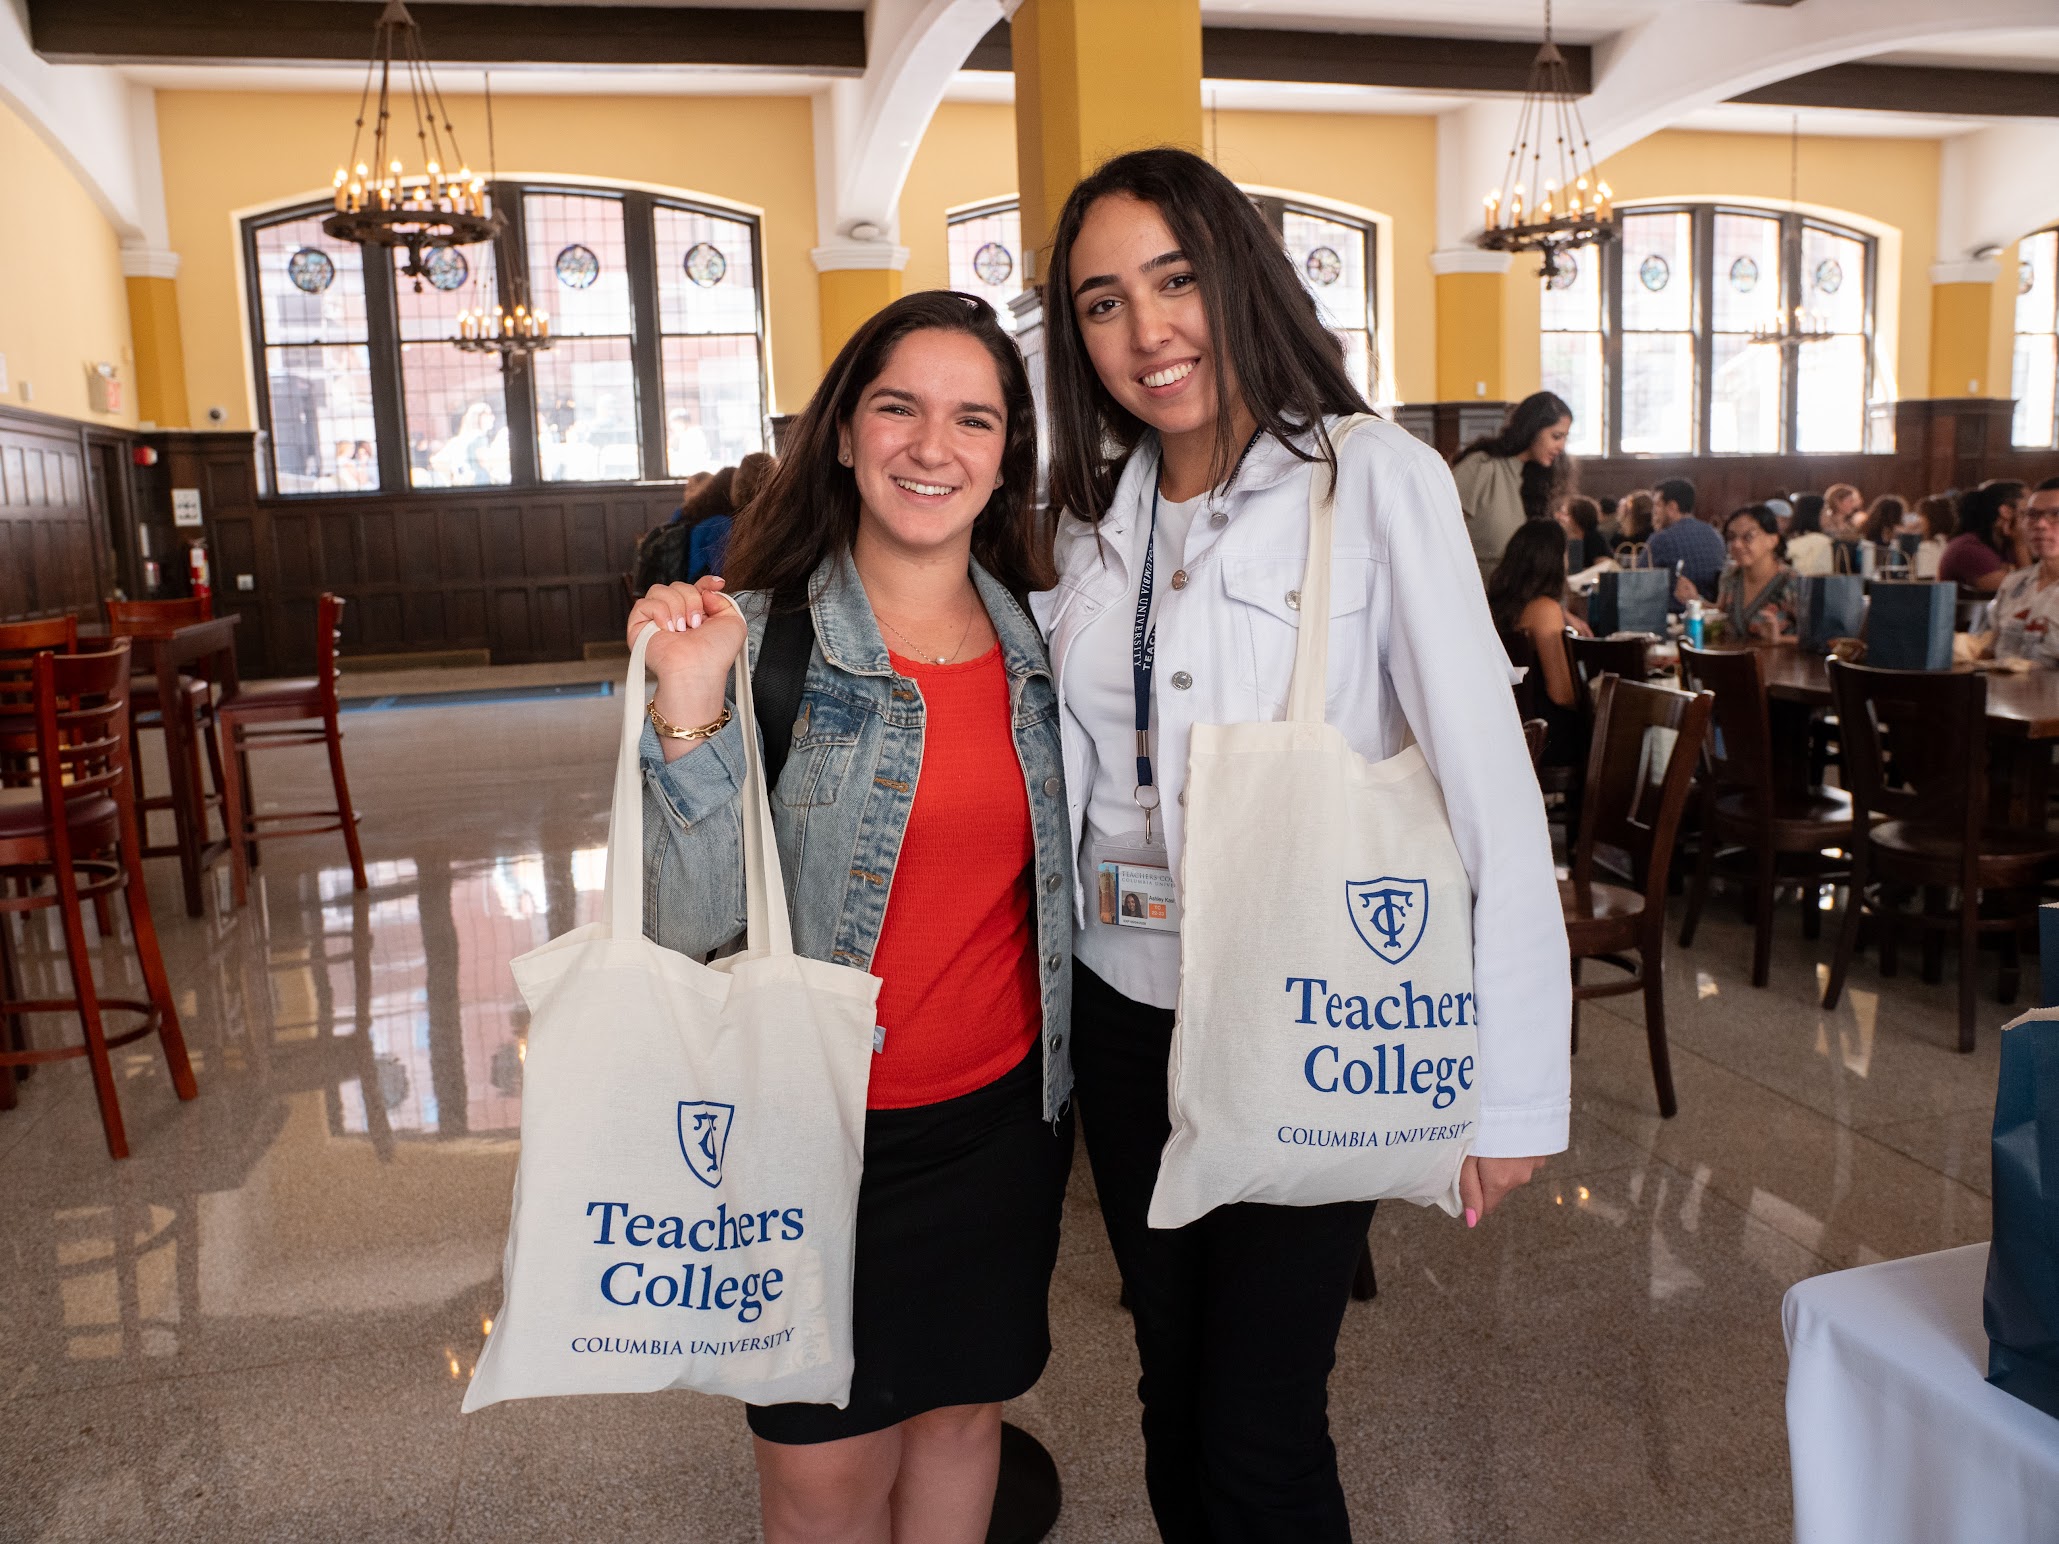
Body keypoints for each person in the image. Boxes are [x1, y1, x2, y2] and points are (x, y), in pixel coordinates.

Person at [1035, 146, 1568, 1543]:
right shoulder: (1096, 524)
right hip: (1121, 1002)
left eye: (1172, 280)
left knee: (1262, 1418)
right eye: (1100, 303)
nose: (1146, 331)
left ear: (1238, 277)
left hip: (1310, 1002)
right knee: (1171, 1389)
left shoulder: (1368, 476)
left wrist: (1506, 1096)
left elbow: (1486, 790)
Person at [624, 291, 1074, 1544]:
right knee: (821, 1477)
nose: (934, 446)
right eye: (900, 407)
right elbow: (686, 935)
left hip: (1000, 1127)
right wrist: (687, 710)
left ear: (1005, 453)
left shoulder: (1039, 637)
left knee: (960, 1424)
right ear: (841, 431)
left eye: (972, 417)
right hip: (811, 1140)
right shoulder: (753, 641)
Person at [1488, 518, 1590, 770]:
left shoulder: (1495, 605)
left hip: (1505, 732)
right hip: (1545, 737)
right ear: (1554, 560)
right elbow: (1561, 693)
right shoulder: (1545, 609)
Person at [1450, 390, 1575, 584]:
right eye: (1556, 436)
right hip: (1477, 597)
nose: (1561, 447)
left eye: (1565, 438)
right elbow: (1440, 532)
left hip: (1523, 600)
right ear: (1533, 429)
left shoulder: (1545, 482)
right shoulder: (1482, 467)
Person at [1983, 479, 2059, 666]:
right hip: (2000, 692)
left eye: (2056, 514)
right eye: (2032, 515)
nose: (2040, 525)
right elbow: (1990, 652)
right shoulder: (2014, 583)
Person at [1713, 504, 1799, 643]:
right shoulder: (1730, 575)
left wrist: (1780, 639)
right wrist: (1694, 599)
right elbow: (1719, 614)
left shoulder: (1792, 582)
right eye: (1732, 537)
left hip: (1779, 662)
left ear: (1772, 540)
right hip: (1731, 661)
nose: (1737, 545)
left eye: (1748, 537)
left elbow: (1816, 639)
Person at [1647, 478, 1724, 610]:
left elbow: (1639, 579)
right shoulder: (1715, 535)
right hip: (1708, 614)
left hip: (1675, 614)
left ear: (1672, 507)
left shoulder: (1661, 539)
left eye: (1657, 505)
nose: (1653, 512)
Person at [1939, 481, 2025, 596]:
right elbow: (2026, 593)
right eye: (2029, 512)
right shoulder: (1968, 548)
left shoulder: (2003, 544)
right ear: (2006, 512)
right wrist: (2021, 543)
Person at [1785, 494, 1833, 576]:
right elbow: (1823, 575)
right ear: (1816, 514)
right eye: (1826, 510)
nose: (1829, 515)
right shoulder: (1821, 541)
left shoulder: (1788, 538)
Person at [1911, 493, 1955, 579]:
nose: (1918, 520)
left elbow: (1926, 581)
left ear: (1932, 518)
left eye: (1921, 515)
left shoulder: (1929, 546)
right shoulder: (1953, 542)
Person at [1555, 494, 1602, 573]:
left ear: (1577, 519)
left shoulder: (1595, 540)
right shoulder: (1562, 538)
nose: (1558, 516)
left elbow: (1603, 569)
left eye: (1564, 514)